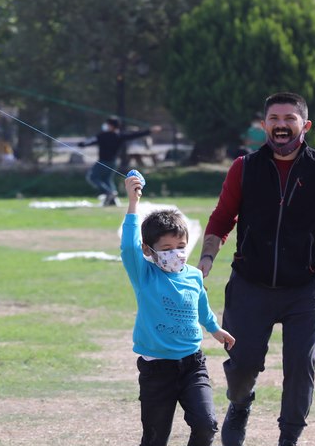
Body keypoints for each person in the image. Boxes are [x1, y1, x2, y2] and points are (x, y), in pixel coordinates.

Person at [198, 92, 315, 446]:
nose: (281, 125)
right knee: (241, 366)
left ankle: (289, 437)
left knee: (301, 367)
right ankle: (239, 406)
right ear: (264, 125)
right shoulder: (244, 168)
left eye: (290, 118)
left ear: (305, 126)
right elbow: (222, 218)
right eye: (274, 119)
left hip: (305, 287)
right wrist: (207, 258)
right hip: (249, 286)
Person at [121, 172, 235, 446]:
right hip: (156, 369)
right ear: (149, 250)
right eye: (167, 248)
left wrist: (214, 328)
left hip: (192, 364)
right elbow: (128, 247)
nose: (176, 253)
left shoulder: (193, 275)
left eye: (181, 246)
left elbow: (200, 306)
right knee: (155, 438)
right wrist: (132, 202)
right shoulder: (144, 274)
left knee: (206, 426)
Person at [78, 117, 160, 206]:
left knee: (93, 177)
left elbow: (91, 141)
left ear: (111, 126)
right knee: (107, 180)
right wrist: (149, 131)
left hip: (103, 161)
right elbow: (134, 135)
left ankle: (109, 192)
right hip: (113, 163)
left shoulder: (103, 135)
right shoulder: (119, 135)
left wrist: (82, 144)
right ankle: (113, 199)